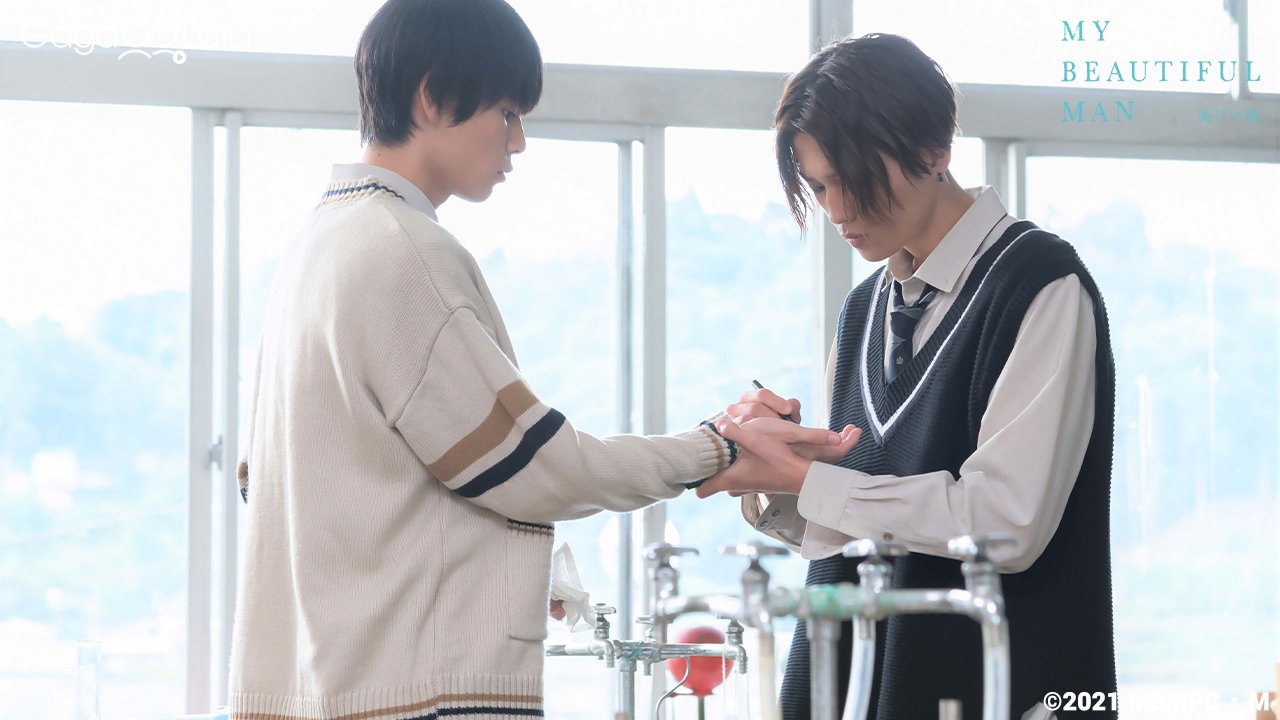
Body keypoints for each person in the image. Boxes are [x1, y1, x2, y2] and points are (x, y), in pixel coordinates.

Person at [225, 2, 858, 718]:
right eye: (506, 114)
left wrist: (510, 573)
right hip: (411, 695)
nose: (519, 142)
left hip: (326, 683)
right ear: (432, 97)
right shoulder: (403, 252)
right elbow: (536, 466)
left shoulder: (316, 247)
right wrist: (717, 444)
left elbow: (300, 484)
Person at [696, 33, 1117, 720]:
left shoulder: (1039, 286)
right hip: (859, 685)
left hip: (999, 689)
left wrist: (815, 482)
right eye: (818, 186)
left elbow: (1005, 523)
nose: (837, 211)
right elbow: (864, 528)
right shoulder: (863, 309)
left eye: (853, 179)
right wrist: (777, 476)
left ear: (934, 150)